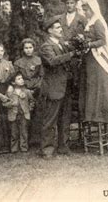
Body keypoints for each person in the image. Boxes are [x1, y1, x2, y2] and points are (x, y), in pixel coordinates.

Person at [78, 2, 108, 128]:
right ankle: (92, 116)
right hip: (90, 58)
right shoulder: (89, 23)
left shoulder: (97, 22)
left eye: (86, 10)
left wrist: (89, 44)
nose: (85, 12)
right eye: (83, 10)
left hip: (98, 58)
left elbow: (103, 40)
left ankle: (105, 116)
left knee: (99, 84)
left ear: (92, 9)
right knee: (91, 85)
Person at [38, 16, 77, 158]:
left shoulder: (61, 44)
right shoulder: (46, 46)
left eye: (60, 27)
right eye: (57, 28)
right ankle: (47, 149)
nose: (61, 29)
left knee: (65, 118)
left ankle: (63, 146)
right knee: (50, 120)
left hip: (65, 86)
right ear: (50, 31)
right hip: (53, 88)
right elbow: (52, 61)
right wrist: (71, 54)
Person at [13, 38, 43, 145]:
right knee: (25, 114)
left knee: (38, 113)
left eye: (30, 47)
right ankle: (26, 140)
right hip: (23, 90)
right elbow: (16, 77)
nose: (28, 50)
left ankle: (37, 139)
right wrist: (24, 88)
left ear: (34, 48)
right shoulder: (18, 63)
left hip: (37, 89)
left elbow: (42, 76)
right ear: (23, 49)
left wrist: (37, 87)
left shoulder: (39, 60)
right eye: (26, 48)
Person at [5, 72, 35, 153]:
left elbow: (32, 101)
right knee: (14, 133)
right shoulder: (10, 92)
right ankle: (14, 148)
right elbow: (4, 103)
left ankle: (24, 148)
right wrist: (11, 104)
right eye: (19, 79)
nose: (21, 80)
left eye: (22, 78)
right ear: (13, 82)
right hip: (13, 115)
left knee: (24, 132)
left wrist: (29, 108)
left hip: (24, 115)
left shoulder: (27, 92)